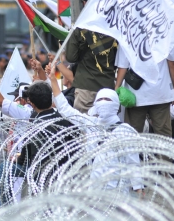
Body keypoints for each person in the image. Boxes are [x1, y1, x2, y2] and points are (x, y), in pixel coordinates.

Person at [48, 64, 144, 194]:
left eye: (107, 100)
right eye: (101, 99)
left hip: (118, 192)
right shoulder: (91, 124)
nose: (104, 103)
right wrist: (53, 80)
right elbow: (66, 109)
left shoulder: (124, 131)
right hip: (95, 190)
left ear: (116, 104)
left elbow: (133, 161)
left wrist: (139, 188)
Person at [65, 0, 118, 114]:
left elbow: (71, 57)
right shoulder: (115, 25)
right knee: (107, 126)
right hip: (108, 88)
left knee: (85, 128)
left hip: (85, 87)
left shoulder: (81, 27)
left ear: (85, 3)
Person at [115, 47, 174, 137]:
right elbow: (172, 63)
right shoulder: (166, 33)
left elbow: (122, 67)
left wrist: (116, 89)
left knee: (132, 135)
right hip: (160, 92)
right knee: (163, 136)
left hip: (135, 95)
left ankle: (133, 151)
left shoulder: (127, 33)